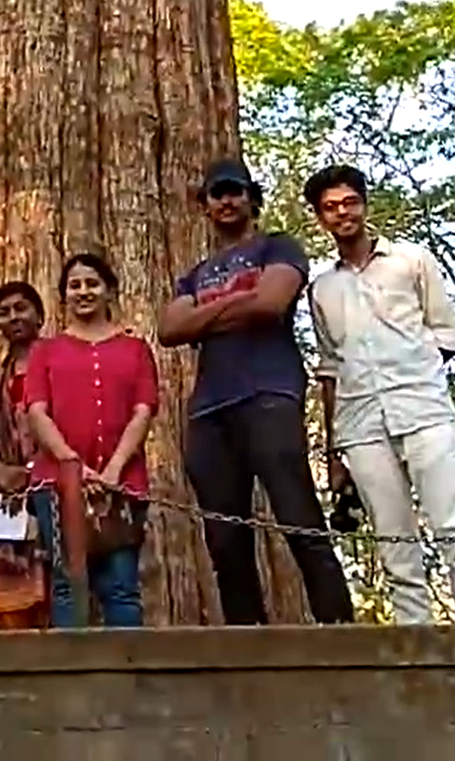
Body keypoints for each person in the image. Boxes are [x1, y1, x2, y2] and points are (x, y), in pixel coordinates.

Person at [156, 158, 356, 625]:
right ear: (204, 205)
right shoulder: (194, 273)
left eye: (236, 191)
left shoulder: (277, 246)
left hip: (269, 392)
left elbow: (271, 303)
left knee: (298, 516)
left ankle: (340, 631)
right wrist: (238, 301)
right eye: (216, 193)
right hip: (210, 409)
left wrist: (205, 314)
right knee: (225, 539)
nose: (227, 200)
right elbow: (168, 328)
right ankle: (248, 641)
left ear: (251, 198)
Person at [304, 164, 455, 625]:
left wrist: (413, 376)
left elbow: (445, 335)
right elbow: (330, 369)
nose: (342, 213)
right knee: (395, 547)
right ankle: (416, 652)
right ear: (320, 218)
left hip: (426, 413)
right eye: (330, 208)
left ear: (364, 205)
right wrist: (335, 455)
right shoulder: (322, 288)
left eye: (349, 202)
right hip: (362, 426)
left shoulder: (412, 261)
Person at [26, 252, 158, 628]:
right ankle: (71, 682)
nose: (83, 291)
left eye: (92, 283)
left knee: (122, 586)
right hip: (56, 483)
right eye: (74, 285)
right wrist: (74, 467)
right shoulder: (45, 352)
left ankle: (127, 679)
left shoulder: (135, 349)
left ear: (109, 290)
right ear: (63, 295)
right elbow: (37, 411)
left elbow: (144, 409)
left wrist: (113, 469)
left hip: (123, 484)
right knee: (68, 583)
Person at [0, 282, 49, 629]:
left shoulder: (60, 365)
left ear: (40, 316)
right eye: (4, 312)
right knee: (4, 588)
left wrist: (33, 470)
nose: (13, 317)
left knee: (55, 576)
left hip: (50, 478)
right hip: (2, 488)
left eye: (21, 308)